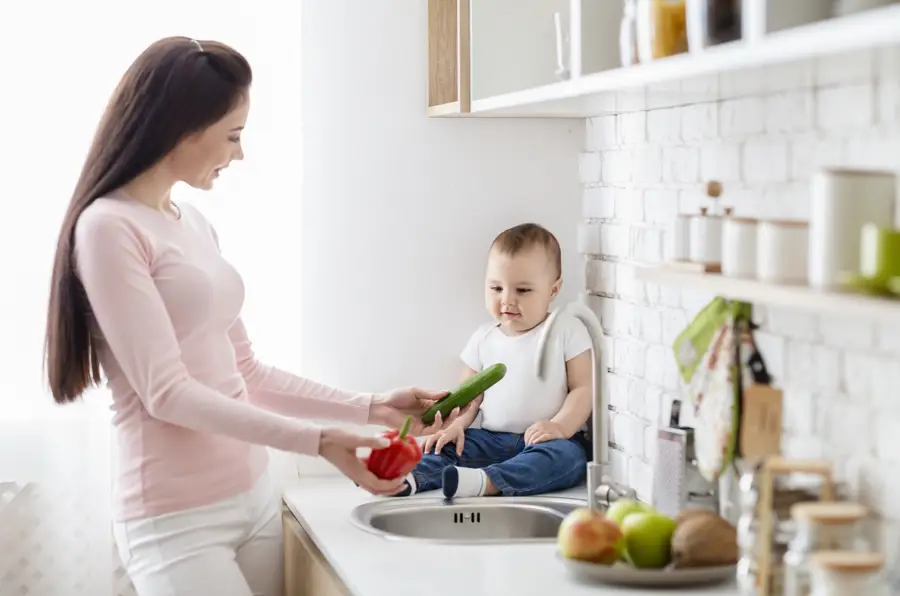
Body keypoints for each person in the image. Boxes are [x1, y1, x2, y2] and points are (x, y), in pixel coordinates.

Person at [42, 36, 458, 596]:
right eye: (232, 136)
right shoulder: (108, 228)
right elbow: (167, 393)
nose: (239, 154)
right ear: (183, 129)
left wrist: (370, 406)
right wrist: (319, 439)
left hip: (254, 499)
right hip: (175, 522)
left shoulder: (191, 222)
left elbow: (248, 374)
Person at [397, 223, 595, 500]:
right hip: (490, 438)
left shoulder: (566, 329)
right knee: (444, 447)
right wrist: (456, 426)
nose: (507, 300)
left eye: (523, 290)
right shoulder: (483, 338)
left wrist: (560, 426)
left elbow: (583, 389)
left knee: (568, 458)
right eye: (496, 288)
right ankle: (404, 476)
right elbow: (469, 397)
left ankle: (487, 481)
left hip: (547, 439)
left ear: (553, 290)